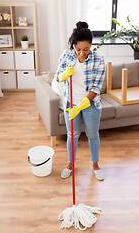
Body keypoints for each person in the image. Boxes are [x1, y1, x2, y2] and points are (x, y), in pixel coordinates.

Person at [55, 21, 105, 180]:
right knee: (72, 135)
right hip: (71, 101)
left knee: (92, 135)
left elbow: (96, 88)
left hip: (90, 104)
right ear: (73, 46)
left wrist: (82, 105)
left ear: (91, 45)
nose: (82, 53)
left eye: (86, 49)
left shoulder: (98, 60)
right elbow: (58, 76)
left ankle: (95, 166)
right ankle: (70, 165)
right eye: (78, 49)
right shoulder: (66, 55)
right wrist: (64, 74)